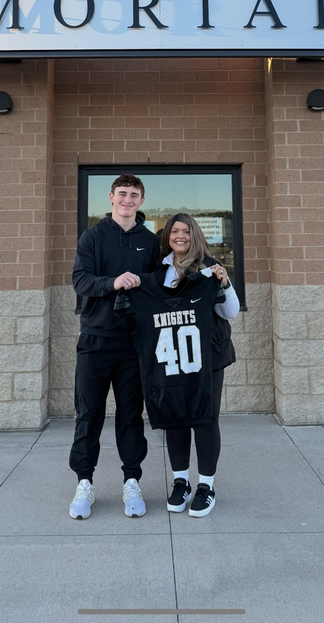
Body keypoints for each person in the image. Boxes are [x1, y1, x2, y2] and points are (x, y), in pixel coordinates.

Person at [115, 213, 240, 518]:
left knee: (206, 419)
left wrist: (222, 280)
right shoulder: (159, 268)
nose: (180, 236)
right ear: (168, 236)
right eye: (175, 231)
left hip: (207, 356)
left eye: (185, 231)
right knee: (176, 418)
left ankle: (207, 486)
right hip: (171, 355)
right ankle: (180, 481)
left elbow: (231, 312)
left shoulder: (209, 267)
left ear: (194, 235)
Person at [68, 173, 160, 520]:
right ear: (110, 197)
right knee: (88, 414)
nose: (127, 199)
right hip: (95, 340)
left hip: (133, 344)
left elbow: (159, 285)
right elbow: (80, 280)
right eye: (122, 193)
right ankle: (84, 483)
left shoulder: (149, 242)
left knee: (130, 417)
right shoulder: (92, 237)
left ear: (141, 201)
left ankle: (132, 481)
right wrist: (113, 282)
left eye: (134, 194)